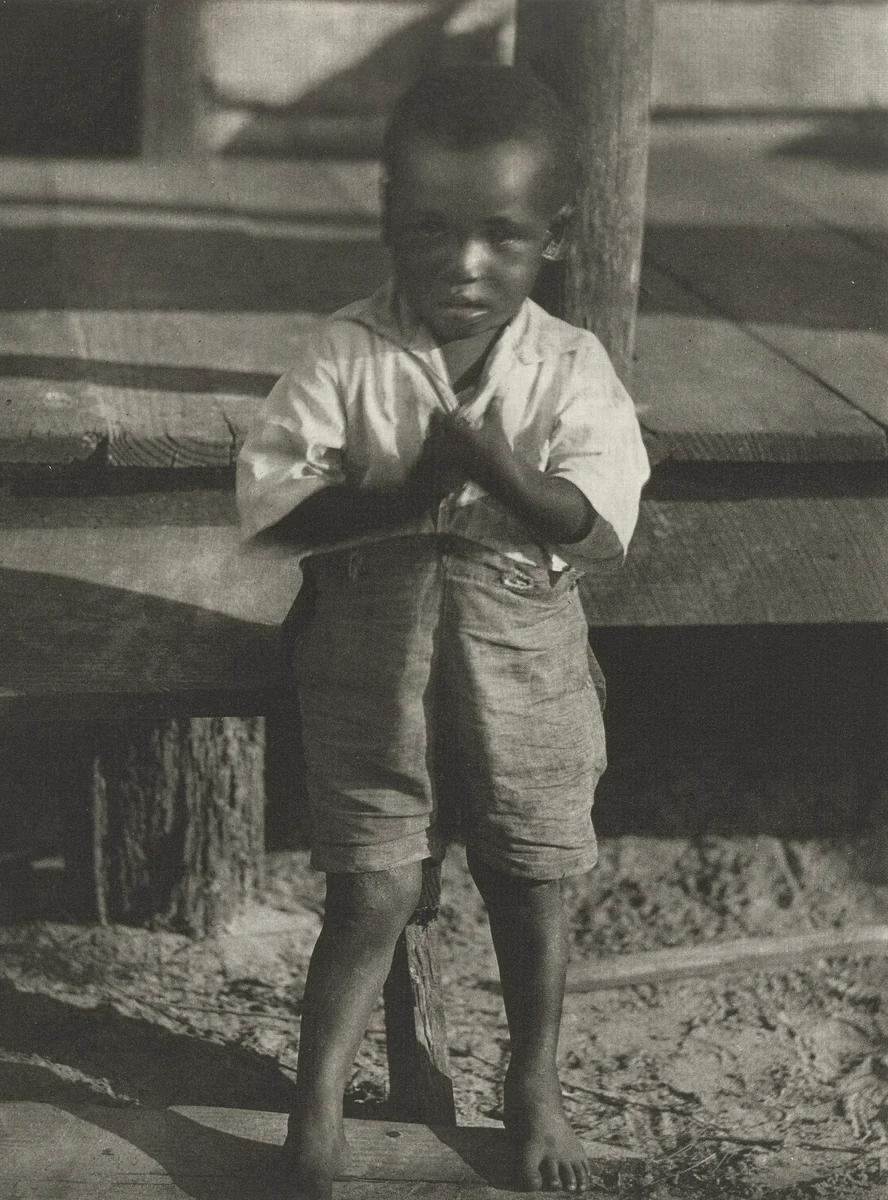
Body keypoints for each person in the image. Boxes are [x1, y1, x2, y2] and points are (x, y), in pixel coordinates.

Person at [237, 64, 650, 1197]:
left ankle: (533, 1087)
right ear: (385, 218)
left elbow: (596, 515)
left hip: (526, 653)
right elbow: (271, 505)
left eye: (500, 238)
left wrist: (498, 470)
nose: (462, 266)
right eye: (427, 229)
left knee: (531, 876)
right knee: (372, 886)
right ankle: (313, 1111)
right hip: (370, 657)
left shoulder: (568, 366)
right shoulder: (344, 355)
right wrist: (408, 491)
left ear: (553, 240)